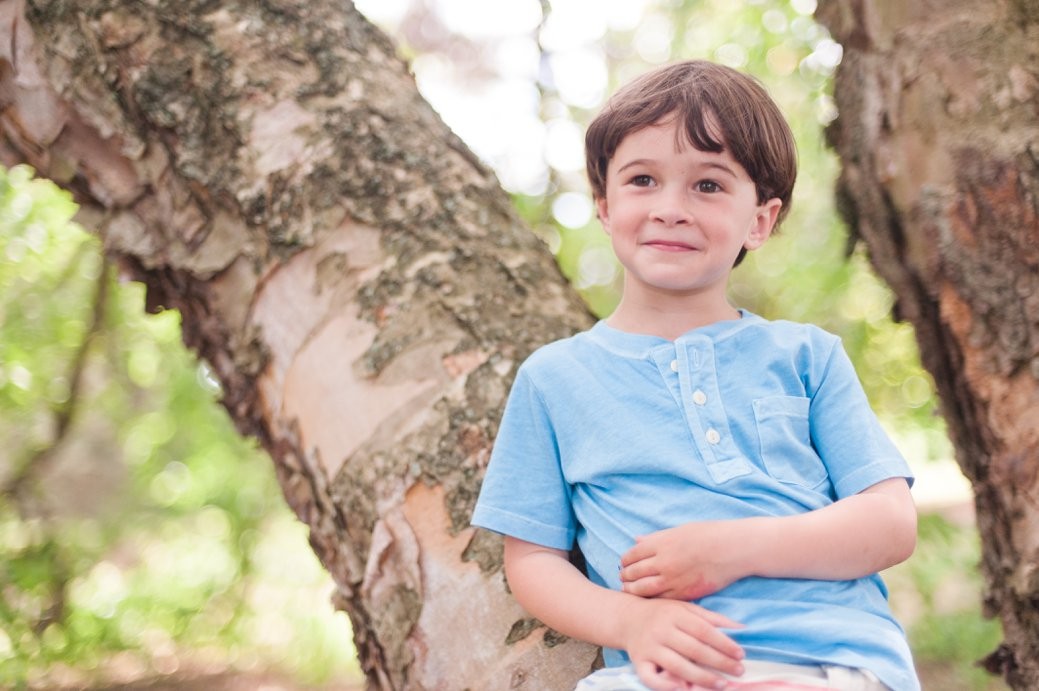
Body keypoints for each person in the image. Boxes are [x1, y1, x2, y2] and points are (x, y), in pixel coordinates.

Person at [470, 59, 920, 691]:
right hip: (663, 675)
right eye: (643, 180)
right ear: (604, 205)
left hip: (831, 663)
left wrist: (730, 549)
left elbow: (891, 524)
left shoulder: (806, 357)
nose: (670, 209)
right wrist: (629, 623)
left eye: (708, 185)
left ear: (759, 220)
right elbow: (533, 560)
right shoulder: (555, 380)